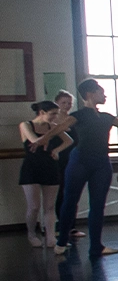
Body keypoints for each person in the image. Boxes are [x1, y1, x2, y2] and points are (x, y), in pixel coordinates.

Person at [54, 78, 118, 256]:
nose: (105, 95)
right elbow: (60, 128)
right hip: (80, 161)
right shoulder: (78, 116)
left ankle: (96, 246)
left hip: (101, 163)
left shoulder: (106, 117)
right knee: (70, 201)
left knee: (97, 205)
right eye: (101, 92)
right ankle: (61, 242)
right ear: (90, 94)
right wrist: (42, 139)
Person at [19, 100, 71, 248]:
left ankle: (50, 237)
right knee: (34, 206)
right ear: (41, 113)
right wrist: (49, 137)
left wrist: (56, 150)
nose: (55, 117)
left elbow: (69, 140)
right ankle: (31, 233)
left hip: (50, 166)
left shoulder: (53, 127)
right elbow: (35, 140)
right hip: (31, 168)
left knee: (49, 206)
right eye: (53, 114)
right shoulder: (26, 125)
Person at [52, 90, 75, 238]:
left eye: (69, 103)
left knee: (72, 191)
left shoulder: (73, 119)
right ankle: (61, 224)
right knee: (60, 192)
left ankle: (71, 226)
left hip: (73, 158)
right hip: (59, 159)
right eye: (63, 103)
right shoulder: (53, 121)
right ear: (57, 104)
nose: (66, 106)